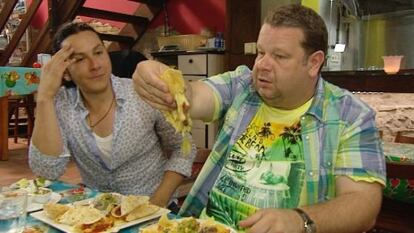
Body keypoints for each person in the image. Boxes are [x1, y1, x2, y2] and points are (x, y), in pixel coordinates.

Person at [133, 4, 387, 233]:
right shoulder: (243, 85)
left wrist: (300, 220)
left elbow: (363, 206)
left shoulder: (351, 116)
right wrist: (160, 77)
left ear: (313, 63)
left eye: (279, 56)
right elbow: (193, 96)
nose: (262, 65)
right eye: (261, 52)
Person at [28, 22, 196, 209]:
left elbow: (184, 149)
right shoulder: (61, 104)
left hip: (155, 208)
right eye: (80, 59)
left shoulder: (142, 93)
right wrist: (44, 98)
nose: (95, 65)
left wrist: (157, 203)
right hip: (100, 214)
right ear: (65, 73)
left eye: (98, 52)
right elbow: (47, 171)